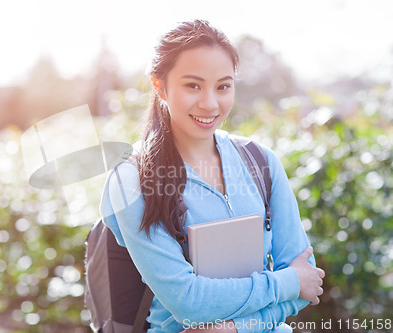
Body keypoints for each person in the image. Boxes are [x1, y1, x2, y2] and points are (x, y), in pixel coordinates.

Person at [99, 19, 325, 333]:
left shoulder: (262, 163)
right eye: (193, 85)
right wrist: (287, 283)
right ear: (160, 85)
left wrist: (233, 329)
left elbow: (308, 284)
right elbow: (188, 302)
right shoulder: (131, 181)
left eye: (223, 86)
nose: (210, 103)